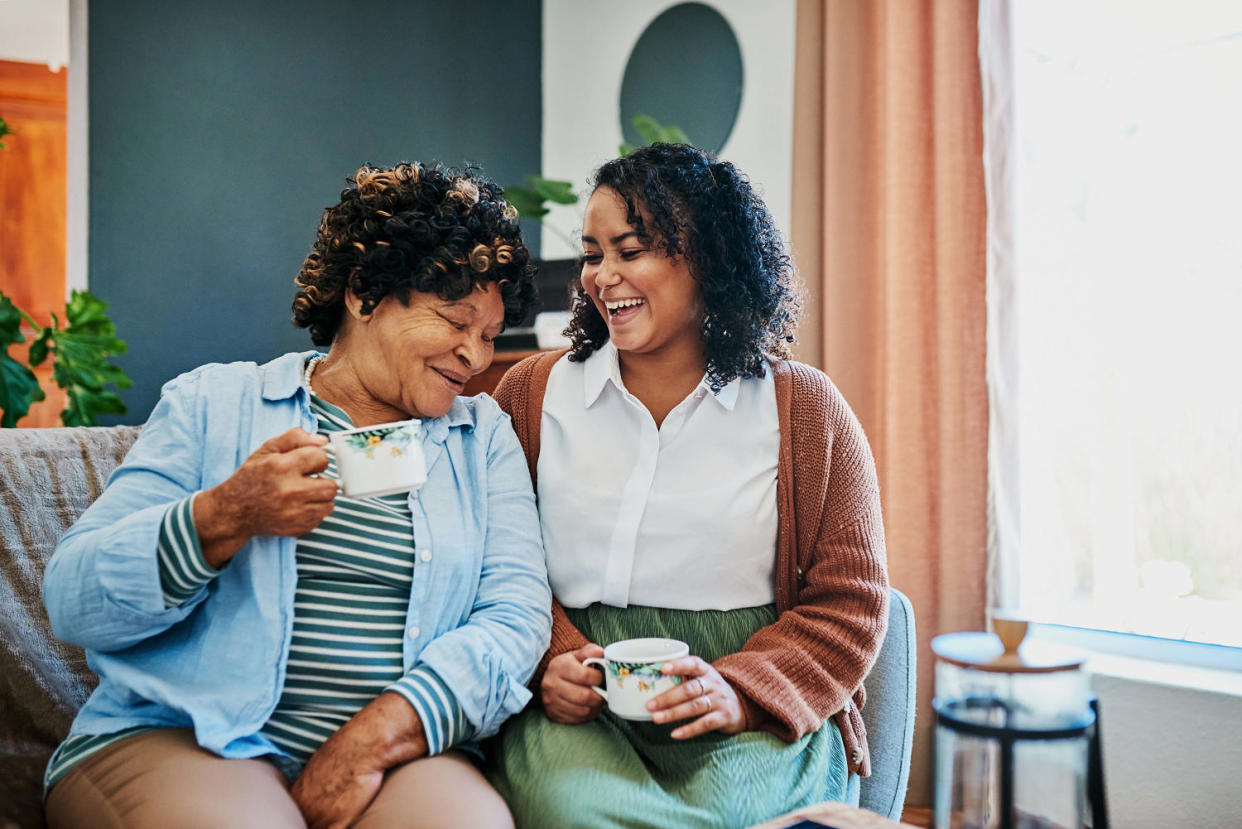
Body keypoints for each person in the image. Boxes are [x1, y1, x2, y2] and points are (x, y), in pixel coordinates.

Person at [42, 162, 551, 829]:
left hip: (400, 751)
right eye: (457, 322)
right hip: (186, 733)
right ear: (365, 292)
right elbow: (72, 599)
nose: (475, 357)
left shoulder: (481, 438)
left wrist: (374, 739)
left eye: (488, 336)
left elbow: (514, 617)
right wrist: (221, 517)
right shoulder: (213, 404)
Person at [485, 143, 890, 828]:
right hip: (582, 704)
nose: (603, 276)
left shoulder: (808, 411)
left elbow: (852, 602)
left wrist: (741, 690)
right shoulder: (529, 395)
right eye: (592, 254)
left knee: (738, 817)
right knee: (573, 811)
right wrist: (546, 663)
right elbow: (493, 564)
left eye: (630, 249)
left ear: (707, 257)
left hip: (748, 703)